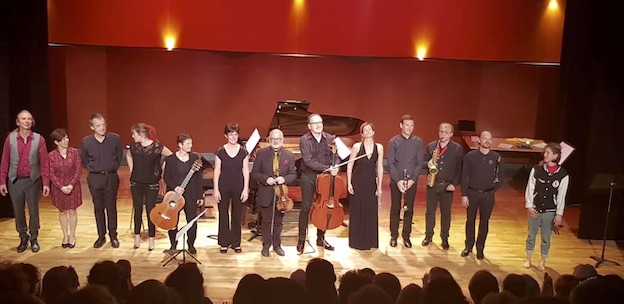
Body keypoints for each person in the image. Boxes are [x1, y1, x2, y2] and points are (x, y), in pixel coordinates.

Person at [0, 110, 50, 253]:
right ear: (18, 122)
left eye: (29, 119)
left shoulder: (39, 139)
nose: (27, 121)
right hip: (15, 181)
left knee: (34, 211)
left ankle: (34, 238)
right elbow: (5, 161)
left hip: (32, 180)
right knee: (18, 211)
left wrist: (46, 183)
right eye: (23, 119)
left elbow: (44, 163)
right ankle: (23, 237)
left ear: (32, 122)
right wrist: (2, 181)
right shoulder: (10, 139)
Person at [297, 113, 341, 254]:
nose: (318, 125)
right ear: (309, 126)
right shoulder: (304, 140)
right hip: (309, 176)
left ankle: (320, 238)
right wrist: (327, 168)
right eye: (315, 123)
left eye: (320, 122)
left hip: (326, 177)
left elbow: (337, 157)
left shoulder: (330, 138)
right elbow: (308, 161)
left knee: (324, 205)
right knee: (306, 207)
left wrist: (336, 166)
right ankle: (301, 239)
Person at [523, 142, 569, 271]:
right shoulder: (536, 170)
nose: (545, 154)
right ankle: (528, 258)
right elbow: (530, 188)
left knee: (546, 237)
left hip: (550, 211)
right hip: (535, 209)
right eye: (545, 152)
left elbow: (561, 196)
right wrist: (530, 206)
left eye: (548, 153)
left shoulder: (563, 174)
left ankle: (543, 261)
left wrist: (559, 214)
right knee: (531, 235)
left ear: (555, 156)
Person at [251, 129, 297, 257]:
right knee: (265, 222)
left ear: (282, 140)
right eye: (273, 139)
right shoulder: (261, 153)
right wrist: (266, 179)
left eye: (278, 139)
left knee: (278, 222)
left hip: (281, 195)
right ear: (269, 140)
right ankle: (266, 245)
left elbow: (293, 174)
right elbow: (254, 173)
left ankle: (277, 245)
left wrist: (284, 179)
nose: (275, 141)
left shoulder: (289, 155)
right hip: (266, 192)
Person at [79, 113, 123, 249]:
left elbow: (119, 156)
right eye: (98, 125)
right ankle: (101, 236)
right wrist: (94, 169)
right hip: (95, 177)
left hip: (111, 176)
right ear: (92, 127)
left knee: (111, 207)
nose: (102, 127)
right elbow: (84, 159)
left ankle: (113, 235)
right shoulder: (86, 141)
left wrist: (112, 168)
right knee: (98, 207)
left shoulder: (115, 138)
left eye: (103, 124)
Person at [126, 123, 172, 251]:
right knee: (138, 209)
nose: (132, 136)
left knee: (151, 211)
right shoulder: (134, 147)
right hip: (136, 182)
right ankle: (137, 237)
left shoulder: (157, 147)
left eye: (134, 134)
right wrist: (132, 170)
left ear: (141, 135)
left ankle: (152, 238)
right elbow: (128, 155)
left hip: (151, 183)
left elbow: (170, 156)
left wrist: (161, 169)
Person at [460, 130, 504, 260]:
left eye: (489, 138)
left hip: (488, 196)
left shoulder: (496, 157)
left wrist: (492, 190)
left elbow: (501, 177)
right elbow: (464, 176)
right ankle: (468, 246)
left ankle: (480, 249)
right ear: (479, 140)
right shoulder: (470, 156)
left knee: (484, 222)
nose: (487, 141)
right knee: (470, 222)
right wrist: (464, 194)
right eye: (484, 138)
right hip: (472, 193)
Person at [163, 133, 208, 254]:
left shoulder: (194, 158)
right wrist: (175, 187)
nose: (191, 146)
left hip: (191, 194)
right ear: (180, 145)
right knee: (172, 220)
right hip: (174, 194)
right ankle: (173, 244)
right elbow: (166, 177)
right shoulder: (170, 159)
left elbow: (198, 178)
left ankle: (191, 245)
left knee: (192, 220)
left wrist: (200, 195)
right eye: (188, 143)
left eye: (191, 143)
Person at [422, 122, 463, 250]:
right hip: (432, 184)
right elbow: (422, 162)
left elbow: (459, 169)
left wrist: (454, 184)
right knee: (430, 213)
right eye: (441, 132)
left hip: (447, 186)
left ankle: (444, 238)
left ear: (451, 134)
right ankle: (428, 236)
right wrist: (427, 164)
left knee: (446, 214)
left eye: (446, 132)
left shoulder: (457, 148)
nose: (442, 134)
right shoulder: (431, 146)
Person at [387, 114, 424, 248]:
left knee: (409, 209)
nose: (409, 128)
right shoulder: (393, 141)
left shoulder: (418, 141)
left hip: (411, 181)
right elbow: (390, 163)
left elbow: (419, 163)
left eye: (412, 125)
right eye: (407, 125)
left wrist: (412, 180)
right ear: (401, 125)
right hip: (396, 180)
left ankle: (406, 236)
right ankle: (393, 236)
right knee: (395, 208)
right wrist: (397, 181)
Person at [213, 123, 250, 254]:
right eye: (230, 134)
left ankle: (236, 242)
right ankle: (223, 242)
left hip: (238, 186)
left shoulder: (244, 152)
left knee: (237, 215)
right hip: (223, 186)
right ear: (226, 136)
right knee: (223, 214)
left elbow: (246, 171)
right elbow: (217, 171)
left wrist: (246, 189)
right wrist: (216, 189)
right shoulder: (220, 151)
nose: (233, 137)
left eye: (235, 134)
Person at [346, 122, 383, 250]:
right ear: (362, 133)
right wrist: (349, 182)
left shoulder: (379, 147)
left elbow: (379, 167)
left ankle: (370, 241)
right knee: (357, 210)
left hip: (370, 183)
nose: (367, 131)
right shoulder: (356, 147)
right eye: (364, 130)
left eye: (369, 129)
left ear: (373, 132)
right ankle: (357, 242)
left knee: (370, 211)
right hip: (358, 182)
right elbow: (350, 165)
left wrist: (379, 187)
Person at [48, 128, 83, 249]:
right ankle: (65, 236)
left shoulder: (74, 152)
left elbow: (78, 170)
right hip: (59, 188)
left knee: (73, 211)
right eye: (63, 139)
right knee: (62, 212)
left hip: (73, 186)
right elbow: (51, 173)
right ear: (56, 142)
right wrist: (61, 187)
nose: (66, 140)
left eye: (67, 138)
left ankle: (72, 236)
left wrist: (71, 185)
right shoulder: (51, 156)